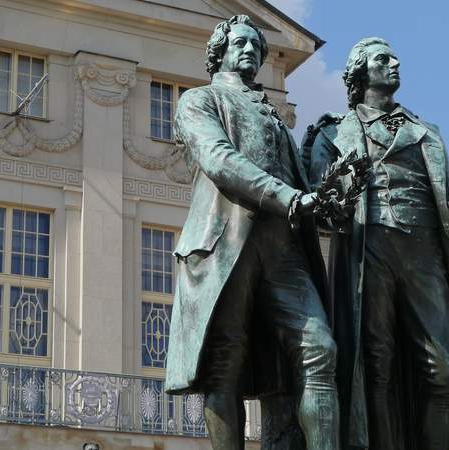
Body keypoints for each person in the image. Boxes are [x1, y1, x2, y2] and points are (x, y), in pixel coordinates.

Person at [305, 37, 449, 449]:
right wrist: (336, 203)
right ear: (361, 71)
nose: (395, 63)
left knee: (445, 370)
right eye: (383, 58)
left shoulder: (426, 133)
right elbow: (318, 202)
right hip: (370, 251)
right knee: (376, 365)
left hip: (426, 255)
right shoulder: (332, 132)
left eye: (394, 57)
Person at [164, 15, 340, 450]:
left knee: (320, 348)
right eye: (240, 43)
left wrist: (325, 199)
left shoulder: (276, 118)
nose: (250, 52)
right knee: (225, 363)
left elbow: (301, 189)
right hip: (224, 241)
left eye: (257, 47)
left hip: (283, 247)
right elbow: (220, 160)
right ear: (219, 52)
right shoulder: (198, 101)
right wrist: (290, 197)